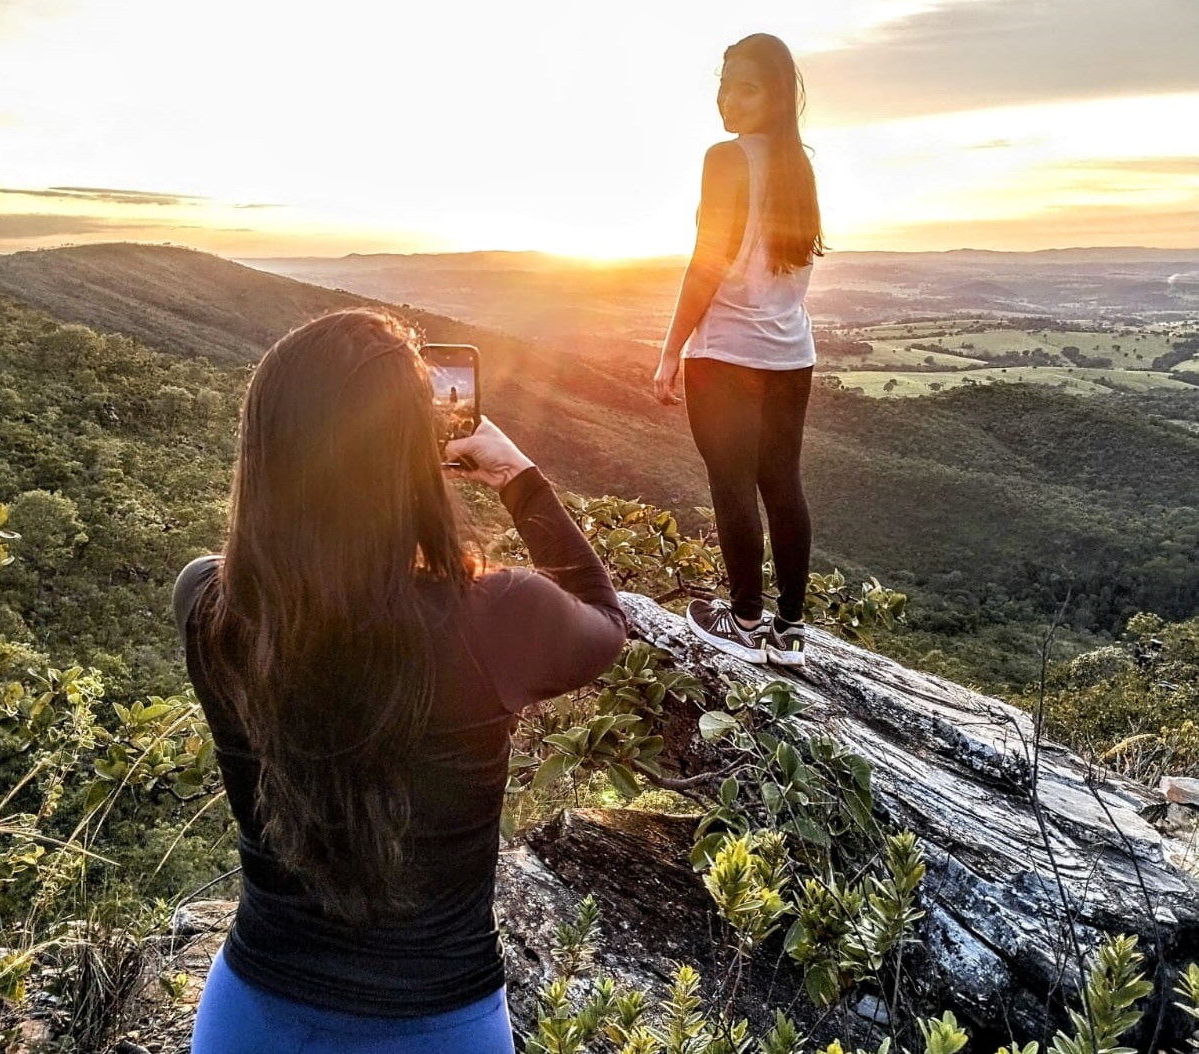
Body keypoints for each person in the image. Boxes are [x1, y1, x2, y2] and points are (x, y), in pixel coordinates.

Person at [175, 309, 627, 1053]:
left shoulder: (207, 604)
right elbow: (605, 619)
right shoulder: (500, 615)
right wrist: (517, 478)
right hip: (436, 1023)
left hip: (250, 1014)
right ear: (414, 455)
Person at [652, 32, 823, 668]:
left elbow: (708, 262)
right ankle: (791, 631)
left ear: (776, 95)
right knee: (783, 483)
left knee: (732, 485)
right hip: (790, 352)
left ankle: (745, 621)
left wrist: (670, 349)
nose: (729, 99)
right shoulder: (798, 166)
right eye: (724, 85)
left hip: (725, 351)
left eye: (746, 88)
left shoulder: (725, 159)